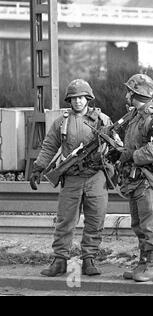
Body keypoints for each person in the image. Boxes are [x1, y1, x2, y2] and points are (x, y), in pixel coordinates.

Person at [30, 79, 113, 277]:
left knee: (95, 220)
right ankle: (59, 260)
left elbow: (114, 146)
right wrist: (38, 168)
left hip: (96, 177)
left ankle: (89, 260)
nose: (77, 102)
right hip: (72, 177)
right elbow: (50, 145)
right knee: (65, 220)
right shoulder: (62, 122)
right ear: (70, 100)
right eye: (74, 98)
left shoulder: (102, 120)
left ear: (88, 99)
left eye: (81, 98)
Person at [118, 73, 153, 282]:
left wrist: (130, 155)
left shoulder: (152, 119)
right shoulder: (135, 116)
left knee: (150, 224)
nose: (126, 95)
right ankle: (143, 264)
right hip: (134, 181)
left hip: (147, 181)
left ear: (136, 93)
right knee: (139, 225)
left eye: (129, 91)